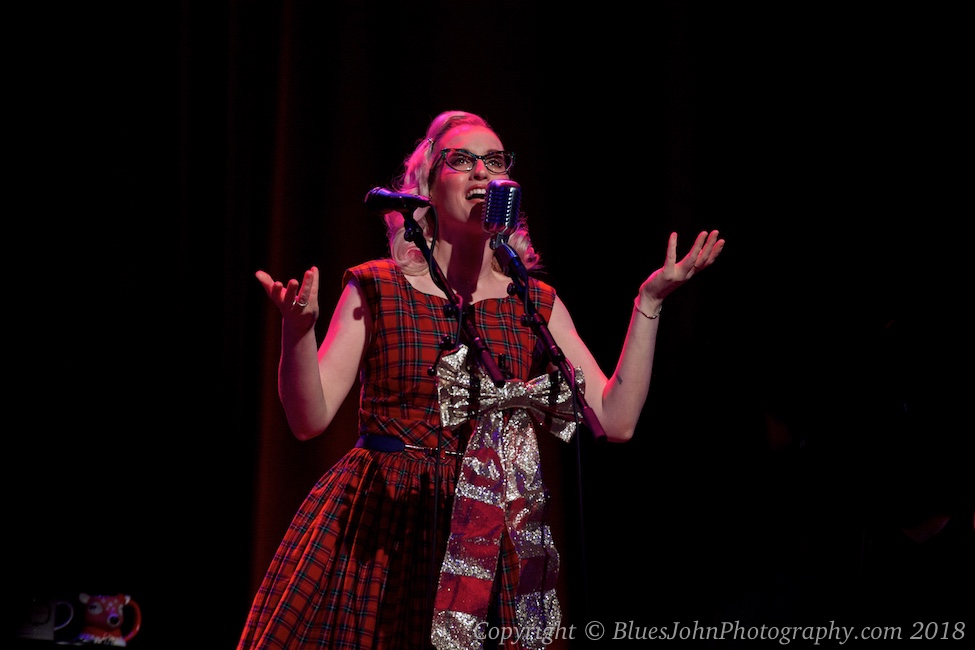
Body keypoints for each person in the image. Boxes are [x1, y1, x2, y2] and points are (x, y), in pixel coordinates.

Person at [238, 110, 724, 650]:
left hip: (488, 532)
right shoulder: (377, 287)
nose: (480, 173)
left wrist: (649, 302)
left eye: (493, 161)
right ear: (426, 187)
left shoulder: (533, 301)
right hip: (384, 528)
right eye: (461, 160)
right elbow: (309, 419)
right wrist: (297, 331)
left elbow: (615, 419)